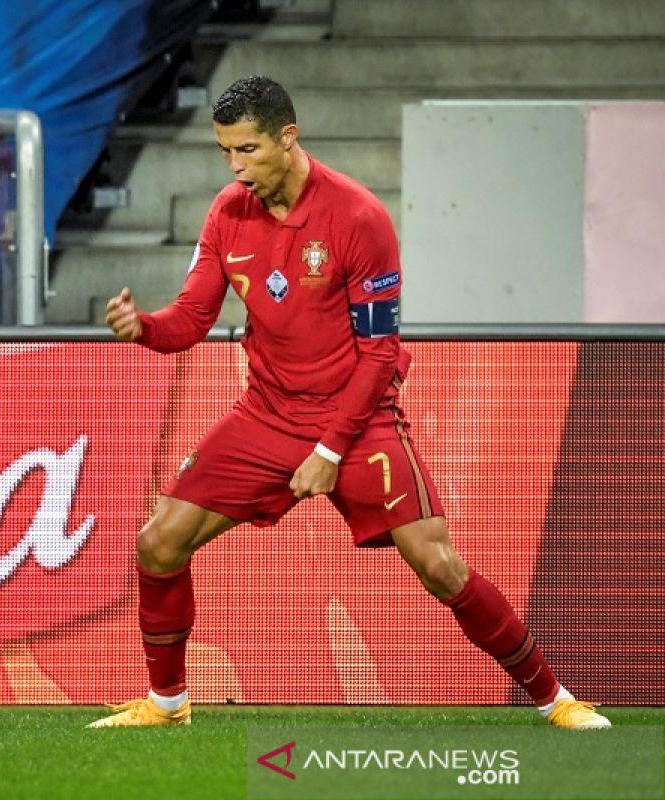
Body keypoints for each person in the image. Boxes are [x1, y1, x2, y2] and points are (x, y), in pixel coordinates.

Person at [88, 75, 609, 730]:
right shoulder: (227, 213)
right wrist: (145, 329)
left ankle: (555, 699)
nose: (235, 167)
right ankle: (168, 705)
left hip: (359, 421)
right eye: (225, 152)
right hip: (267, 414)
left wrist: (332, 449)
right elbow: (192, 319)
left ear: (288, 137)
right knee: (158, 544)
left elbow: (379, 354)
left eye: (247, 150)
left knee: (438, 564)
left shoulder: (358, 217)